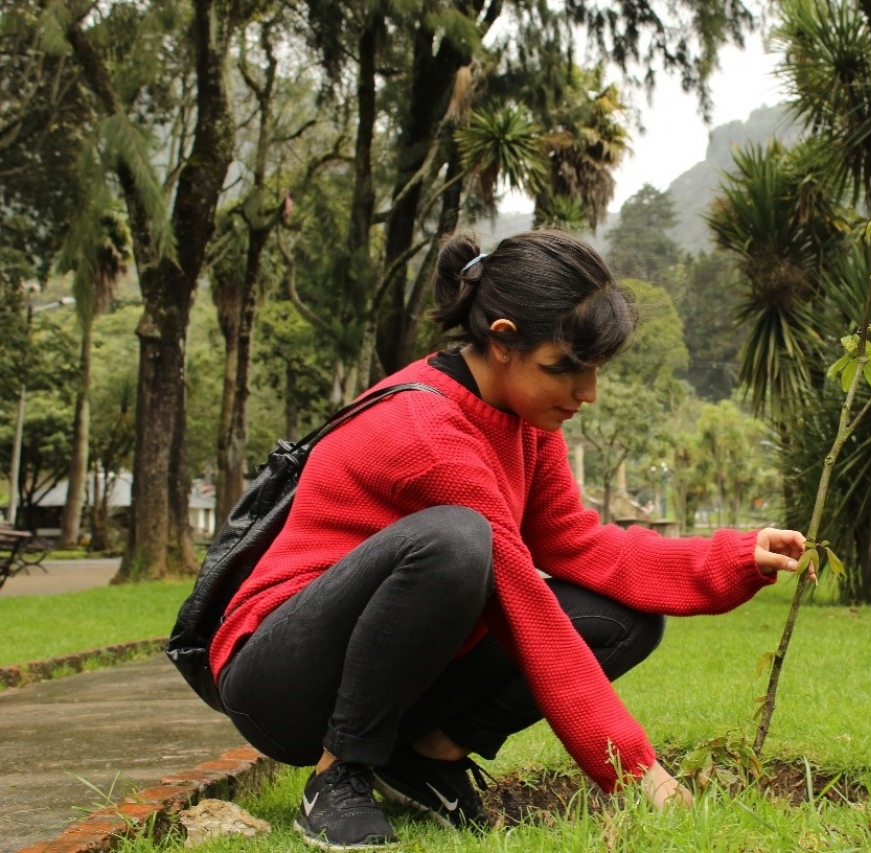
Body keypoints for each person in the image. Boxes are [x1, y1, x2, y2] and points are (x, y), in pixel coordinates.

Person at [209, 229, 808, 849]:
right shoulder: (426, 432)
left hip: (383, 671)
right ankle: (339, 776)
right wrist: (638, 772)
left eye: (594, 370)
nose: (587, 393)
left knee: (626, 620)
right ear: (501, 340)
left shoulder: (524, 421)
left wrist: (736, 554)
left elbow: (579, 543)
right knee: (457, 543)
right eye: (564, 370)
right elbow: (525, 604)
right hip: (281, 680)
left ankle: (424, 758)